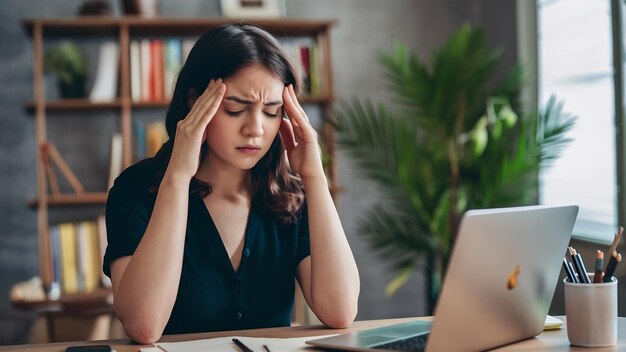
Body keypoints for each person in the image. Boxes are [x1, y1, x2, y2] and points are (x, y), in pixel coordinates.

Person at [103, 23, 360, 344]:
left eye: (271, 111)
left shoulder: (292, 196)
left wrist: (315, 178)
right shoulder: (136, 191)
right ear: (195, 102)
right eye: (235, 109)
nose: (255, 129)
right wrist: (177, 178)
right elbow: (143, 325)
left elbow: (340, 311)